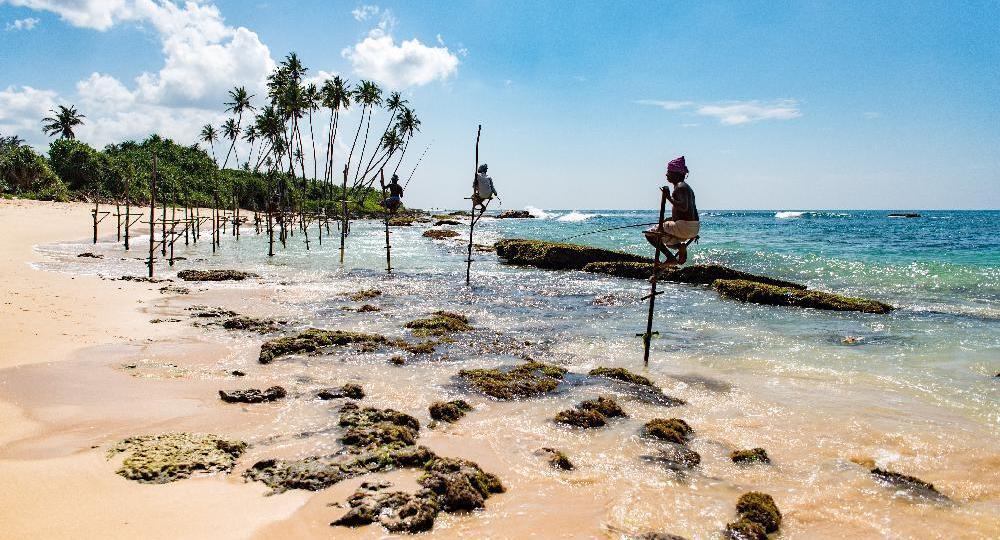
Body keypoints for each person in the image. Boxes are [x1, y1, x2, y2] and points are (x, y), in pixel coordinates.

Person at [644, 155, 699, 266]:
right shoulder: (687, 188)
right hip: (692, 228)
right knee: (668, 241)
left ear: (677, 174)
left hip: (684, 227)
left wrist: (668, 197)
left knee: (649, 234)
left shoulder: (680, 186)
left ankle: (670, 258)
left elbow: (683, 207)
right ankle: (680, 246)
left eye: (669, 172)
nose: (666, 174)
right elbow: (687, 212)